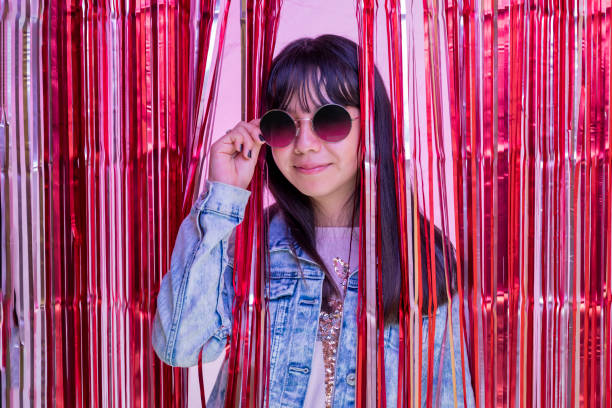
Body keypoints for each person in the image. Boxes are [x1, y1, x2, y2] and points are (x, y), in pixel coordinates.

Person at [152, 34, 475, 408]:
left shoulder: (422, 259)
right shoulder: (251, 245)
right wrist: (223, 194)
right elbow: (181, 346)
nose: (304, 144)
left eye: (330, 119)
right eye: (284, 124)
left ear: (371, 125)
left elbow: (450, 396)